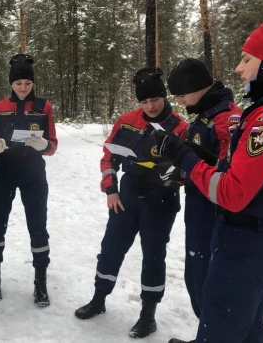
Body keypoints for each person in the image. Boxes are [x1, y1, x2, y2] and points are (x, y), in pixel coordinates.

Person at [154, 13, 263, 343]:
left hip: (246, 238)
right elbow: (256, 173)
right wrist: (197, 161)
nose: (238, 68)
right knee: (246, 327)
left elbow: (234, 192)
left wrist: (185, 158)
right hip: (260, 235)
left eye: (246, 59)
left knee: (222, 329)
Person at [74, 67, 189, 339]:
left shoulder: (180, 127)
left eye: (155, 100)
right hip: (126, 196)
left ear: (164, 97)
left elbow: (186, 175)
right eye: (144, 102)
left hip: (160, 200)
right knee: (111, 248)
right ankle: (99, 299)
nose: (150, 106)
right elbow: (108, 158)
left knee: (153, 256)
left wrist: (157, 170)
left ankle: (148, 315)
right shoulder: (127, 120)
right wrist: (110, 190)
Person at [164, 58, 242, 342]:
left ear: (197, 87)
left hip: (216, 215)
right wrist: (181, 172)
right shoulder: (204, 114)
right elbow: (202, 161)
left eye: (182, 95)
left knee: (211, 284)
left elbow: (231, 172)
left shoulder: (226, 118)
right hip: (198, 208)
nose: (180, 101)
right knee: (196, 279)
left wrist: (194, 161)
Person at [0, 53, 58, 307]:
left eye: (27, 83)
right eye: (18, 83)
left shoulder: (44, 107)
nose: (23, 88)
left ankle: (40, 281)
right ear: (11, 84)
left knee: (38, 225)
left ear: (33, 83)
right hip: (5, 171)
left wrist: (45, 144)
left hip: (33, 172)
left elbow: (53, 145)